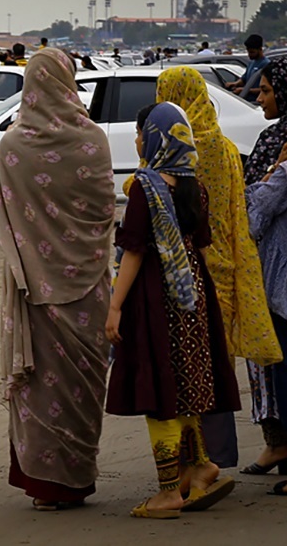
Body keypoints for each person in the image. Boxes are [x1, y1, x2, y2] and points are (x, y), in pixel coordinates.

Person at [0, 47, 115, 511]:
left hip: (34, 288)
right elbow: (104, 210)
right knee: (81, 388)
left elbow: (4, 217)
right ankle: (76, 477)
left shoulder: (12, 145)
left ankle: (46, 486)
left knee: (42, 387)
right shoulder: (94, 141)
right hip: (88, 290)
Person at [106, 102, 241, 518]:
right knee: (187, 385)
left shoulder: (144, 190)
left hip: (156, 299)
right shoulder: (193, 186)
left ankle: (168, 491)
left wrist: (114, 306)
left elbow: (132, 252)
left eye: (143, 131)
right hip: (195, 299)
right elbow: (202, 240)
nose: (137, 138)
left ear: (158, 139)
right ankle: (200, 466)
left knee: (161, 389)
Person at [155, 66, 283, 466]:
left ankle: (194, 462)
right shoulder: (225, 148)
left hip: (184, 270)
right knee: (217, 365)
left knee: (186, 367)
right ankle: (219, 456)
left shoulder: (174, 149)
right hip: (224, 269)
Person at [241, 56, 287, 475]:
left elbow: (253, 213)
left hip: (277, 277)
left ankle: (282, 444)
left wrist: (277, 169)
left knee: (283, 367)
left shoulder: (280, 150)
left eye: (266, 90)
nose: (259, 98)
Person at [225, 34, 270, 99]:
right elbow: (244, 79)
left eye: (252, 52)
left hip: (258, 102)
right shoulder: (251, 62)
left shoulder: (266, 64)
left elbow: (266, 89)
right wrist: (235, 84)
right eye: (248, 52)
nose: (249, 55)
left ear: (260, 49)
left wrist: (245, 90)